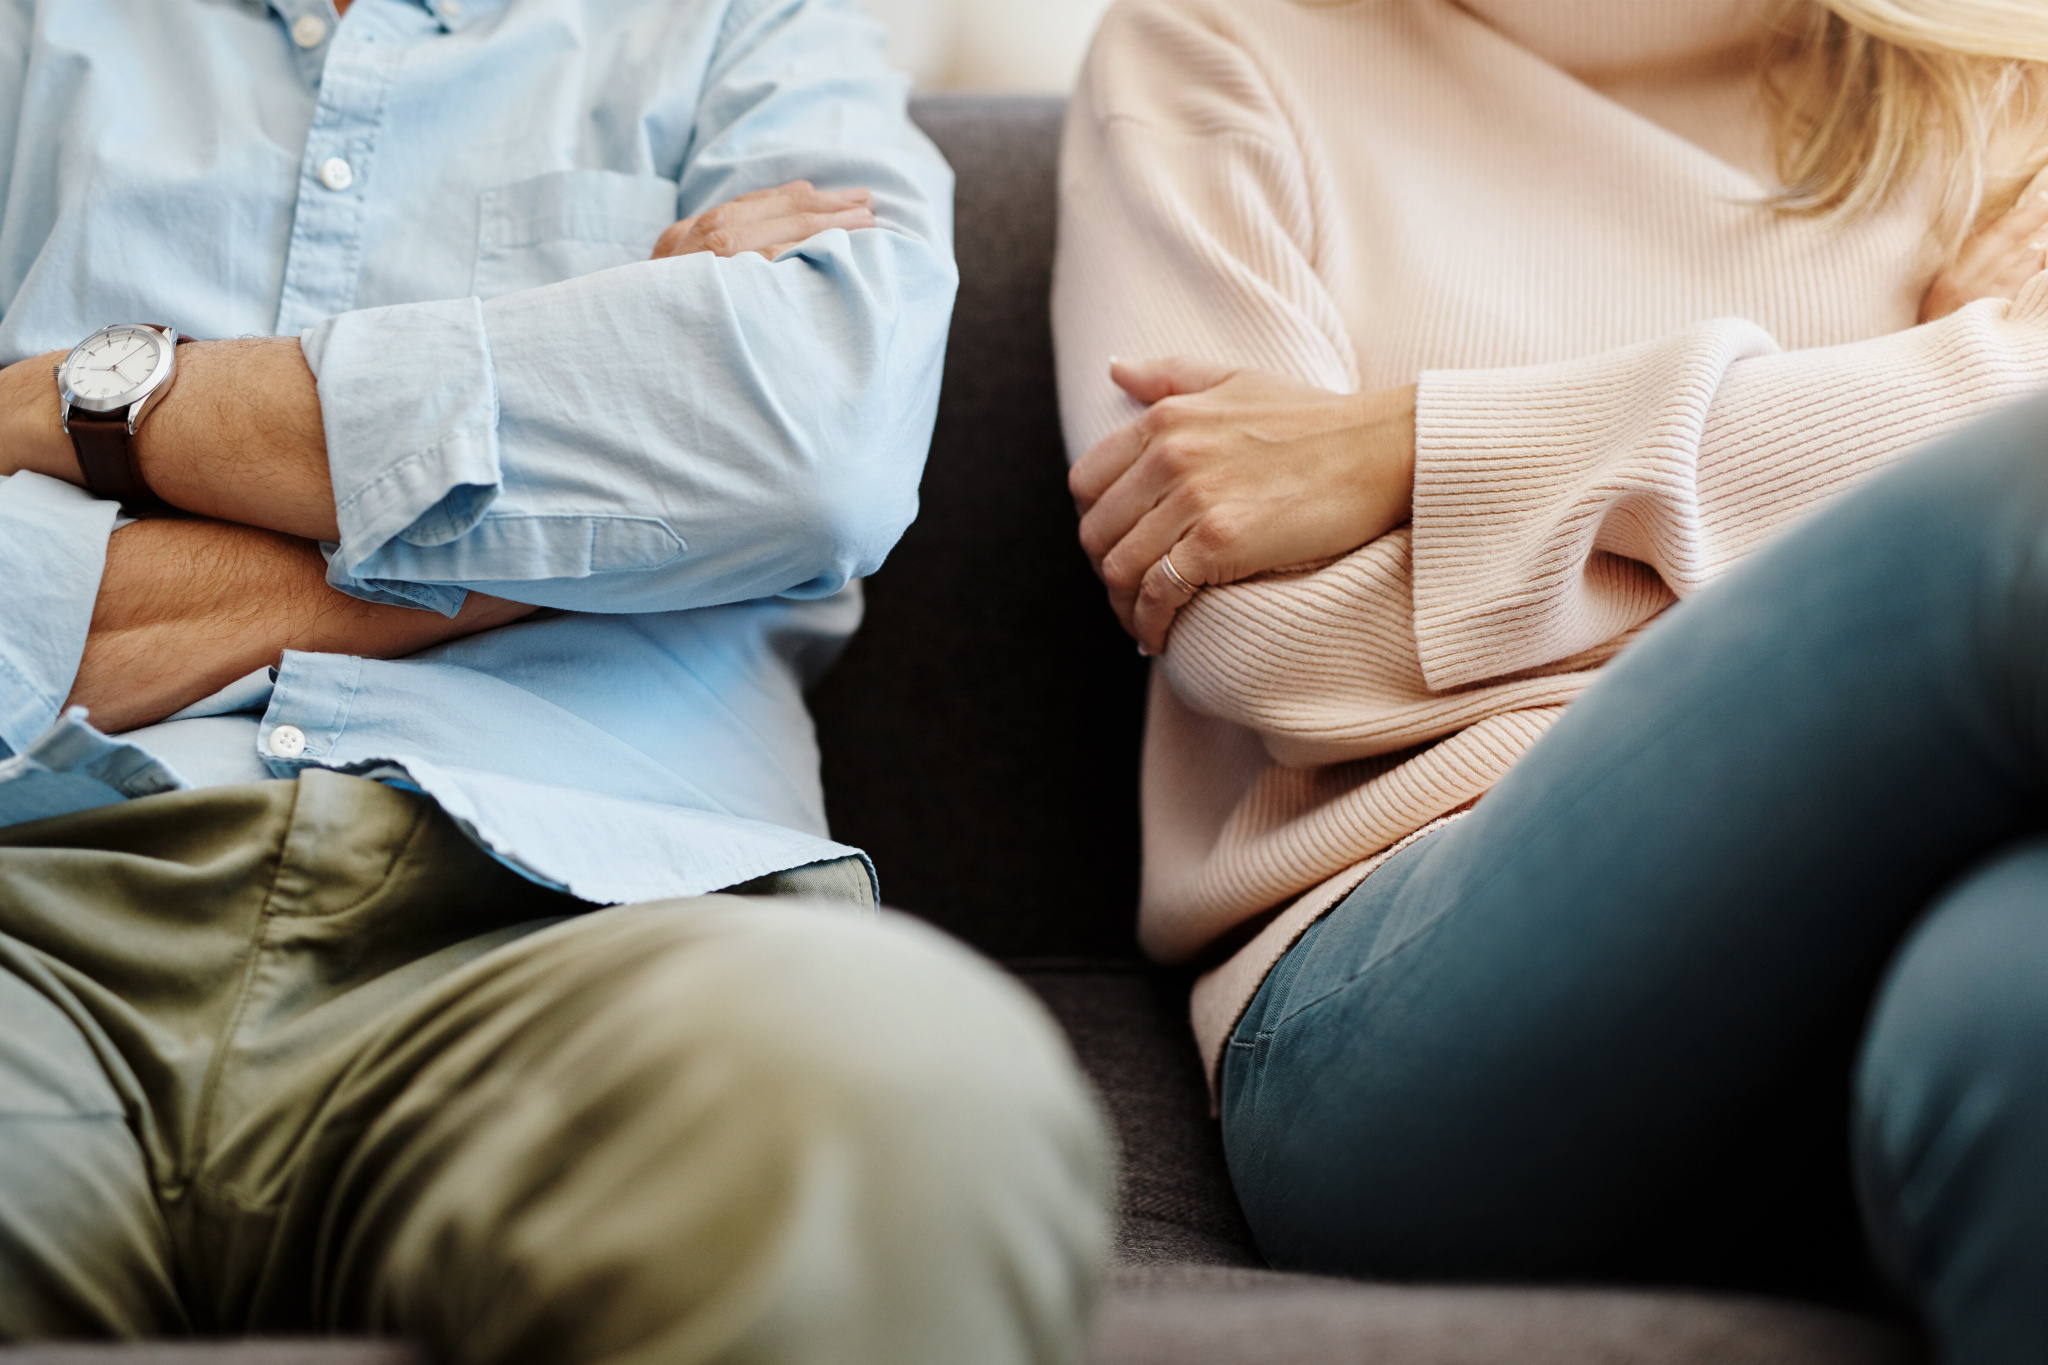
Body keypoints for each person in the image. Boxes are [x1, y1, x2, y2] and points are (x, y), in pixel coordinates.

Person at [0, 1, 1112, 1361]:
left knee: (915, 1091)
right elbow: (729, 465)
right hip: (35, 909)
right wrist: (604, 479)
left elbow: (815, 447)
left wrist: (69, 405)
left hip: (591, 922)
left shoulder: (757, 26)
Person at [1053, 0, 2048, 1358]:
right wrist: (1891, 414)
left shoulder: (1992, 80)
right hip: (1408, 989)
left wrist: (1418, 450)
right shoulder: (1217, 48)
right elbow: (1267, 643)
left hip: (1907, 916)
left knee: (2019, 1005)